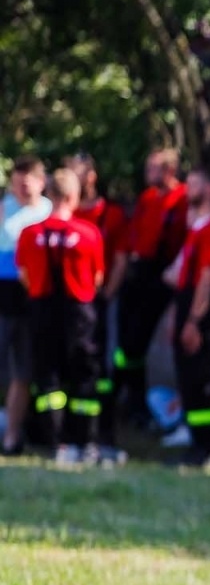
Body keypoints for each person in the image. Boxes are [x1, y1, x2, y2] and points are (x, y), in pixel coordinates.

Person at [15, 169, 103, 465]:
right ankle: (86, 442)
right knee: (84, 376)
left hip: (41, 310)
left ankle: (57, 444)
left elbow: (24, 275)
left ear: (50, 194)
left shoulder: (30, 234)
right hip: (79, 313)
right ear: (72, 197)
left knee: (48, 379)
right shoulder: (89, 233)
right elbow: (97, 277)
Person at [163, 169, 210, 468]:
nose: (186, 190)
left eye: (193, 185)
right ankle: (195, 442)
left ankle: (207, 446)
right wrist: (175, 316)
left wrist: (193, 321)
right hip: (187, 305)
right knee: (188, 379)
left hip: (201, 312)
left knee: (200, 377)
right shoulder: (196, 229)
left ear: (209, 189)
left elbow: (208, 277)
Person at [112, 149, 188, 423]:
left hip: (162, 274)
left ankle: (133, 402)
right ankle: (131, 399)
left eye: (153, 168)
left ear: (169, 171)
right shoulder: (147, 198)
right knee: (127, 343)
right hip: (138, 272)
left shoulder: (183, 198)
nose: (148, 174)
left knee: (136, 341)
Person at [68, 154, 128, 464]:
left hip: (100, 303)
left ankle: (104, 432)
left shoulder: (111, 214)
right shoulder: (68, 214)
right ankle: (70, 434)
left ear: (91, 177)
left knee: (103, 368)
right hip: (72, 305)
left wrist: (106, 295)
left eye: (75, 172)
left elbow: (119, 259)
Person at [1, 155, 53, 454]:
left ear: (41, 181)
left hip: (33, 303)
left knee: (23, 372)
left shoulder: (48, 212)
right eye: (18, 179)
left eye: (29, 179)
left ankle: (11, 436)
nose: (23, 185)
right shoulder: (3, 209)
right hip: (3, 296)